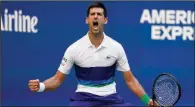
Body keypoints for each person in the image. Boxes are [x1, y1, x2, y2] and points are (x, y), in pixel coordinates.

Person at [28, 1, 158, 106]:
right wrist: (41, 86)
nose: (95, 16)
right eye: (92, 14)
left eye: (99, 14)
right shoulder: (74, 48)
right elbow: (57, 80)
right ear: (87, 20)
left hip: (111, 99)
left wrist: (147, 101)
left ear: (105, 20)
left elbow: (130, 81)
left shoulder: (116, 47)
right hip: (83, 99)